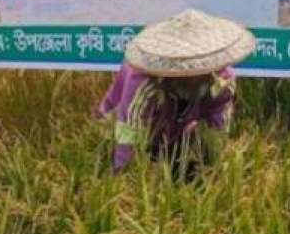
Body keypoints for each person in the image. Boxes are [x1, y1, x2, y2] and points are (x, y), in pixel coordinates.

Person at [96, 9, 252, 175]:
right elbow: (129, 131)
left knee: (184, 163)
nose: (192, 75)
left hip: (175, 128)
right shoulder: (143, 81)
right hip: (122, 125)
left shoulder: (223, 83)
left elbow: (218, 128)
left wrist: (214, 169)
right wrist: (124, 176)